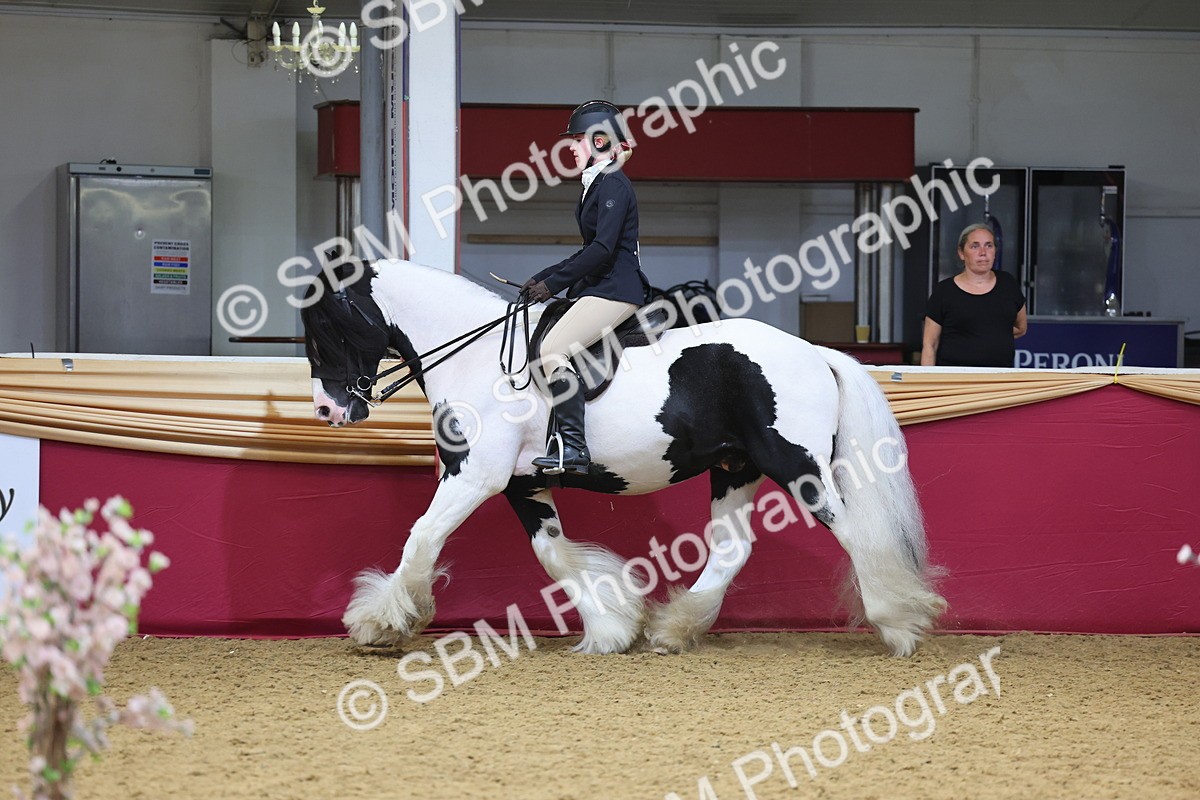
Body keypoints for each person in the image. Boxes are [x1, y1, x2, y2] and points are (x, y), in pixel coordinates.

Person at [520, 100, 648, 475]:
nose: (571, 148)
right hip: (601, 285)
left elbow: (603, 249)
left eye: (578, 140)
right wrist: (543, 278)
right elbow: (586, 250)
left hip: (617, 289)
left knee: (551, 350)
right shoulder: (596, 184)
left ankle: (574, 447)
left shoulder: (614, 185)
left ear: (602, 142)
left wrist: (553, 283)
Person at [921, 223, 1028, 367]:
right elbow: (930, 345)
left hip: (1001, 380)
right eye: (975, 246)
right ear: (961, 253)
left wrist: (991, 337)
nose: (983, 252)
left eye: (989, 245)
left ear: (995, 251)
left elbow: (1021, 327)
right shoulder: (944, 291)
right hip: (955, 380)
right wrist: (929, 385)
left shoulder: (1008, 284)